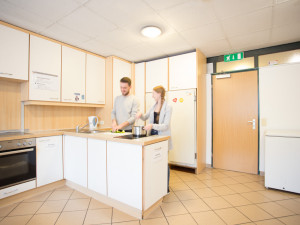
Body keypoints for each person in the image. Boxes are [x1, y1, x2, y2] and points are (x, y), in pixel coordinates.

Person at [136, 85, 172, 192]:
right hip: (152, 137)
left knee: (163, 162)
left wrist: (152, 126)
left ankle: (166, 187)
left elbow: (165, 126)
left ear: (159, 94)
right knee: (155, 161)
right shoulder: (153, 106)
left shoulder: (168, 107)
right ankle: (157, 185)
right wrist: (140, 115)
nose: (152, 96)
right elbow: (146, 117)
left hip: (163, 138)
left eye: (153, 94)